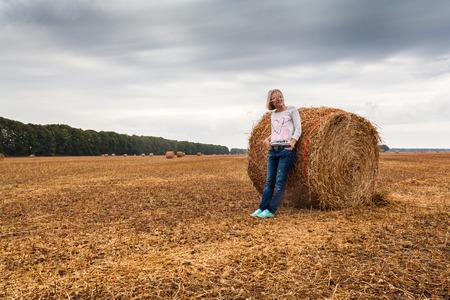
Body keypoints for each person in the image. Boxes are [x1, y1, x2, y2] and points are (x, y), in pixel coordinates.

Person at [251, 89, 302, 218]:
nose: (279, 99)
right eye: (275, 97)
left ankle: (271, 210)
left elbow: (298, 128)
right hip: (273, 150)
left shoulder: (292, 110)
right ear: (271, 101)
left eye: (280, 96)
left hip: (285, 150)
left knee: (279, 182)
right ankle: (262, 208)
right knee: (269, 182)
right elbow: (276, 130)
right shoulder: (273, 115)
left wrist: (293, 142)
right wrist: (267, 139)